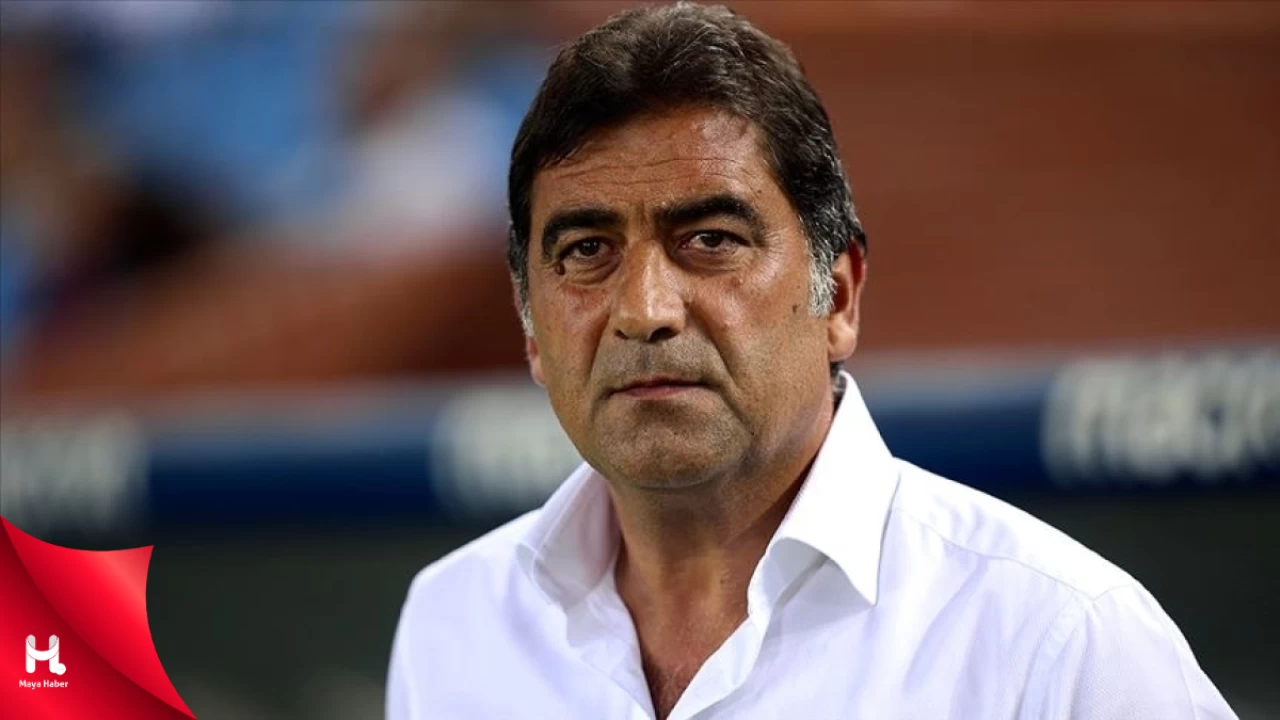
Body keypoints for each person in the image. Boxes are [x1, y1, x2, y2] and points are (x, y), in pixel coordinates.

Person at [387, 4, 1237, 719]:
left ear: (840, 294)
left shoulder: (1060, 639)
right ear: (531, 327)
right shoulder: (454, 624)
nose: (645, 310)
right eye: (586, 251)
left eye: (710, 239)